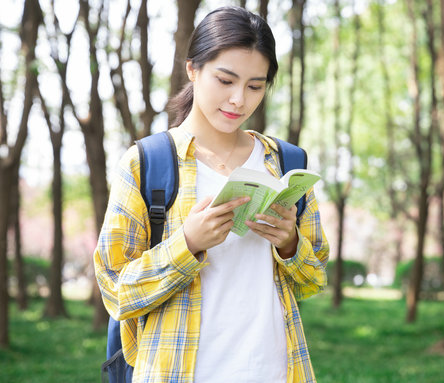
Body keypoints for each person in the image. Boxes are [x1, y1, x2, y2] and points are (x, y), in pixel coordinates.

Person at [93, 6, 329, 383]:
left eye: (255, 86)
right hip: (177, 371)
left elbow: (313, 280)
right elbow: (118, 292)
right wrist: (187, 243)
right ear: (193, 69)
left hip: (273, 370)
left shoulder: (284, 163)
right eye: (225, 80)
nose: (239, 99)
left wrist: (289, 244)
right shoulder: (147, 162)